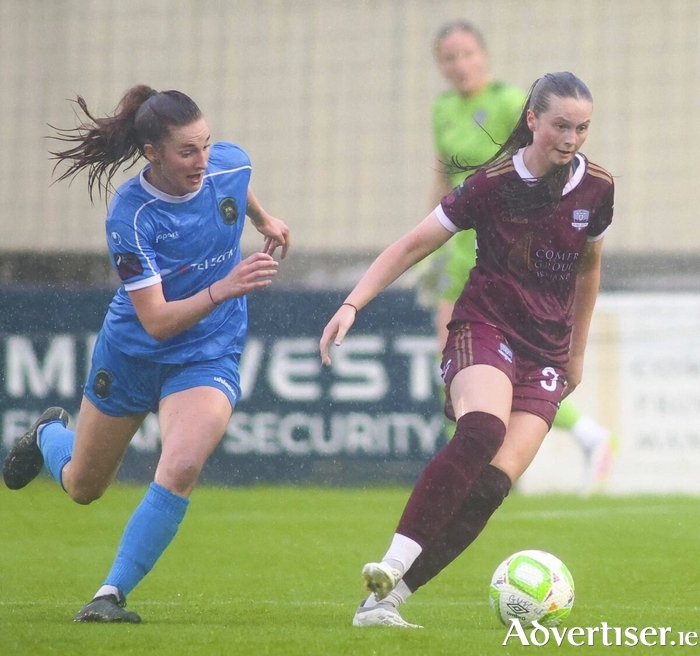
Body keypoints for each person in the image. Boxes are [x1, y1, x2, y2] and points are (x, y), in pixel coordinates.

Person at [320, 71, 613, 629]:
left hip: (547, 352)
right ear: (532, 119)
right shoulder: (492, 183)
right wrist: (353, 303)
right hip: (485, 325)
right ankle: (391, 562)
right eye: (560, 126)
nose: (571, 138)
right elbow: (413, 243)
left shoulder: (597, 188)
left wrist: (575, 352)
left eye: (581, 128)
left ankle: (383, 604)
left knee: (492, 487)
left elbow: (590, 267)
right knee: (482, 430)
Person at [2, 85, 290, 623]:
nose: (203, 161)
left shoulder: (227, 164)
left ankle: (110, 595)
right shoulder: (131, 216)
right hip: (135, 351)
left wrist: (263, 220)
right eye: (187, 152)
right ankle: (48, 436)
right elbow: (156, 321)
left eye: (206, 145)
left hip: (207, 351)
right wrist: (225, 286)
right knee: (84, 487)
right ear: (152, 153)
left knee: (181, 464)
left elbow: (237, 182)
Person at [419, 19, 616, 497]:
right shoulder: (443, 108)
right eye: (449, 58)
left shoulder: (510, 102)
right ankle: (465, 470)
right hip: (458, 248)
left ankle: (580, 435)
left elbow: (549, 173)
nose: (460, 65)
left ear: (484, 57)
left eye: (467, 55)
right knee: (454, 362)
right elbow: (445, 181)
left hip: (505, 253)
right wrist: (432, 249)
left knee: (494, 364)